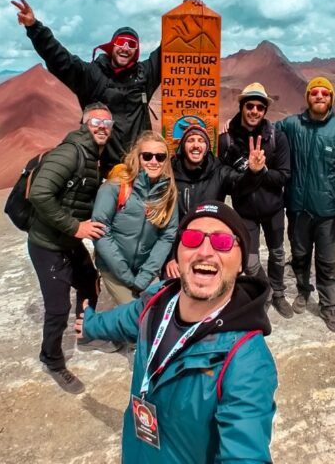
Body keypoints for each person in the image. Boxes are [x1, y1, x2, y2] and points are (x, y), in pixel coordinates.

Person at [79, 201, 277, 463]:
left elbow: (245, 453)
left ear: (241, 263)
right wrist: (91, 324)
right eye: (193, 239)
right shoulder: (156, 301)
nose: (205, 252)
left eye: (222, 242)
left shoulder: (246, 360)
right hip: (137, 451)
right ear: (178, 254)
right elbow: (123, 319)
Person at [12, 0, 202, 170]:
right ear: (113, 46)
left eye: (131, 45)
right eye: (121, 43)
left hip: (139, 166)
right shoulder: (92, 75)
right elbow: (60, 59)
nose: (125, 49)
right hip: (101, 167)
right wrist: (35, 28)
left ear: (136, 51)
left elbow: (168, 49)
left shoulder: (145, 74)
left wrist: (185, 14)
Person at [27, 102, 113, 394]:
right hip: (47, 244)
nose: (102, 127)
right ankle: (51, 358)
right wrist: (76, 227)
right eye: (96, 122)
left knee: (89, 283)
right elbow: (40, 193)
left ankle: (85, 333)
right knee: (57, 306)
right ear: (84, 124)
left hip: (68, 242)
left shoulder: (95, 155)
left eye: (107, 123)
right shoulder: (70, 152)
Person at [275, 77, 335, 332]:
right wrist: (231, 127)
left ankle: (328, 305)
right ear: (308, 97)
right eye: (315, 92)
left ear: (331, 99)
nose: (320, 96)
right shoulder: (291, 125)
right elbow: (264, 130)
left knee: (326, 260)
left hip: (326, 211)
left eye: (325, 93)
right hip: (298, 208)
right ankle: (303, 291)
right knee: (300, 256)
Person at [218, 83, 292, 317]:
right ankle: (266, 291)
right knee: (250, 262)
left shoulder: (276, 137)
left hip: (273, 209)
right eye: (249, 105)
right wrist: (250, 173)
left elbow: (284, 175)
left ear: (264, 111)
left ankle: (278, 292)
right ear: (241, 107)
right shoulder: (227, 140)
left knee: (277, 253)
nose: (254, 111)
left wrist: (259, 171)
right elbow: (227, 181)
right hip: (245, 211)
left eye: (260, 107)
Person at [164, 125, 266, 278]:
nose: (196, 145)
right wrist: (171, 257)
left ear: (207, 147)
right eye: (190, 140)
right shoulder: (170, 171)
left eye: (201, 141)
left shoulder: (218, 171)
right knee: (173, 285)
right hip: (177, 245)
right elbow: (165, 224)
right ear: (182, 146)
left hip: (208, 242)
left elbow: (240, 185)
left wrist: (253, 173)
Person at [92, 131, 179, 306]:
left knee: (157, 310)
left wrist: (145, 275)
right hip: (113, 268)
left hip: (144, 270)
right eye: (147, 156)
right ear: (137, 157)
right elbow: (101, 231)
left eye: (160, 157)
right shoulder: (115, 187)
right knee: (136, 314)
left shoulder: (167, 193)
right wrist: (126, 275)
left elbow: (167, 236)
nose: (153, 162)